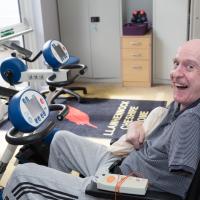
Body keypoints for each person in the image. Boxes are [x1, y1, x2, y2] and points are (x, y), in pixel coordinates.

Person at [3, 39, 200, 200]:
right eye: (176, 63)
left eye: (189, 66)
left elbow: (176, 188)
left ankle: (69, 191)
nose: (176, 73)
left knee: (22, 176)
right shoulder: (182, 102)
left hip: (119, 190)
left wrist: (125, 184)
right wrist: (136, 125)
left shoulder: (190, 120)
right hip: (120, 164)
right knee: (61, 139)